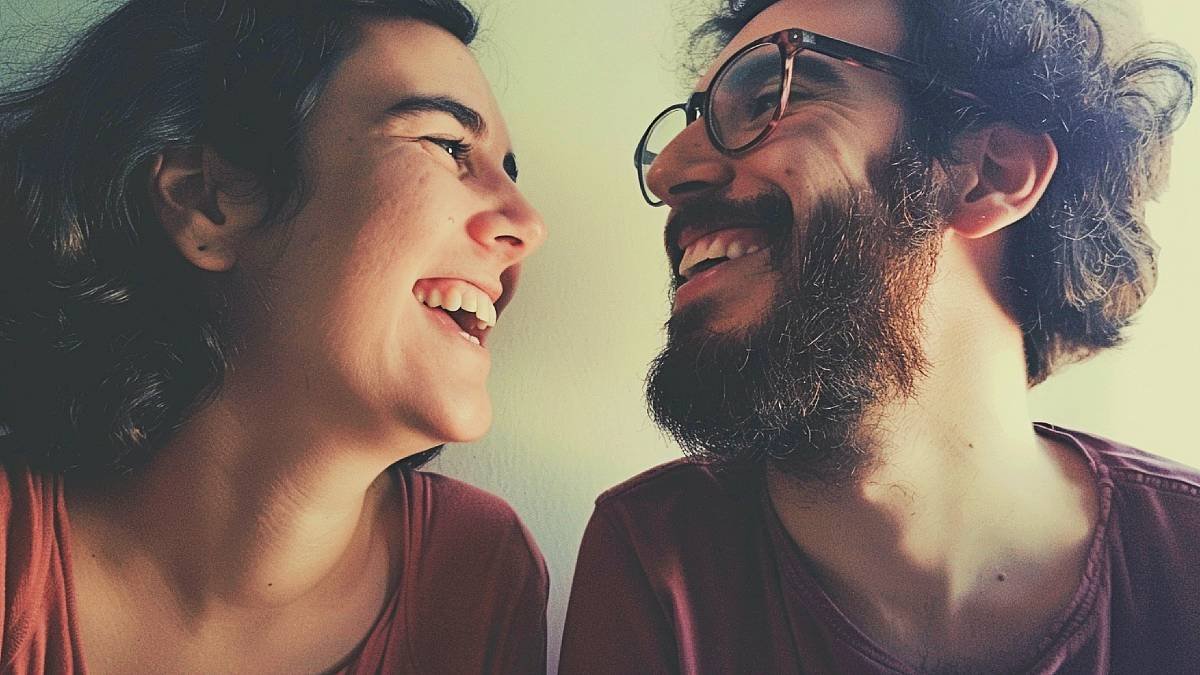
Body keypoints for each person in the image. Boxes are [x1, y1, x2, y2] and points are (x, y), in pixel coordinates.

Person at [560, 0, 1197, 672]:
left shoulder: (1184, 558)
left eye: (773, 95)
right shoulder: (660, 554)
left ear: (990, 174)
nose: (667, 174)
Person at [0, 0, 548, 672]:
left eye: (509, 172)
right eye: (447, 145)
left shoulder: (479, 573)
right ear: (209, 202)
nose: (528, 224)